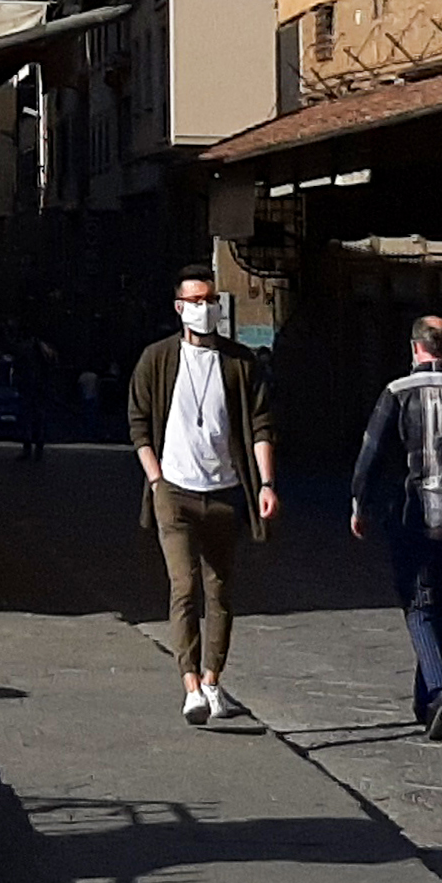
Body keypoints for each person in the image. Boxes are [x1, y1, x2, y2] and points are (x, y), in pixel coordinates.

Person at [129, 264, 278, 726]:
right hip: (173, 491)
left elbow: (260, 424)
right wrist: (156, 480)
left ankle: (213, 681)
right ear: (179, 308)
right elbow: (138, 423)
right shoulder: (157, 358)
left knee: (220, 591)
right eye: (195, 302)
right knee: (185, 587)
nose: (205, 308)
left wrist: (267, 483)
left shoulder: (240, 362)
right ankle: (191, 686)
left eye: (210, 300)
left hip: (226, 492)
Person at [351, 315, 442, 739]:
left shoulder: (396, 392)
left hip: (411, 511)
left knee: (417, 604)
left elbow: (372, 453)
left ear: (416, 348)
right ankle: (425, 700)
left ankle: (439, 691)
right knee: (440, 606)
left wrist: (361, 502)